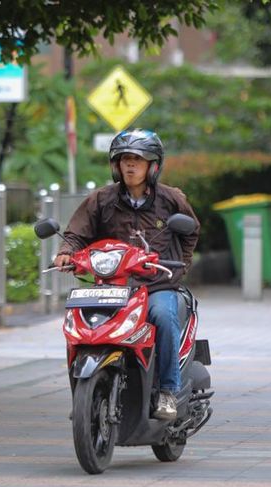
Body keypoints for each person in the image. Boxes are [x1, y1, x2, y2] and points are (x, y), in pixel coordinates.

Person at [55, 128, 200, 421]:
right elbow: (76, 233)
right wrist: (66, 252)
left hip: (157, 285)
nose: (130, 165)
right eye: (125, 159)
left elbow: (191, 231)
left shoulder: (171, 199)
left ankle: (167, 391)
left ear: (153, 166)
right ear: (116, 165)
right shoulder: (101, 200)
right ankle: (84, 395)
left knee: (163, 316)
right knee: (80, 324)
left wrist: (179, 264)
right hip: (112, 286)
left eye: (138, 159)